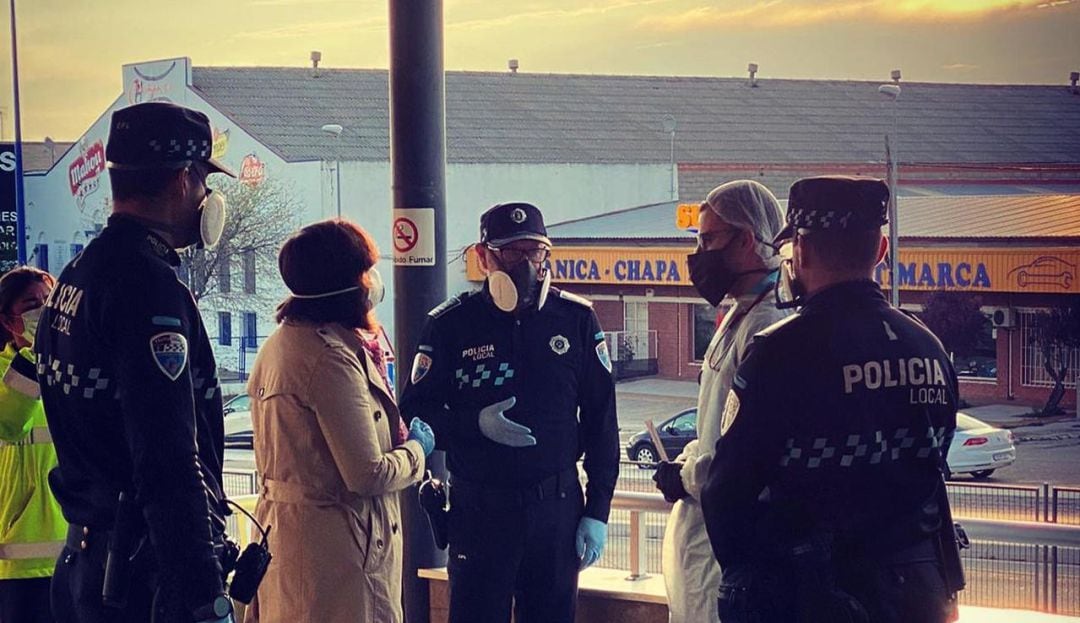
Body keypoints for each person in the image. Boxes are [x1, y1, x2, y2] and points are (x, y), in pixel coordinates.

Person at [700, 176, 960, 623]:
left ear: (798, 251)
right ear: (880, 251)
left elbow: (727, 491)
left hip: (810, 595)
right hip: (917, 594)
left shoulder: (779, 353)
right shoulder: (930, 349)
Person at [36, 102, 237, 623]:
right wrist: (204, 594)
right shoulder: (147, 288)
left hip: (88, 564)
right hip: (143, 579)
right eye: (203, 182)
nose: (205, 198)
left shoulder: (78, 275)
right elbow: (167, 456)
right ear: (183, 179)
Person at [399, 202, 619, 623]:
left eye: (535, 252)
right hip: (480, 512)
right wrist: (473, 426)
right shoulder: (450, 324)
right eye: (512, 252)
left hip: (555, 509)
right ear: (484, 257)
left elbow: (601, 423)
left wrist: (597, 510)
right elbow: (415, 412)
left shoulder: (575, 319)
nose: (526, 264)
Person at [243, 220, 433, 623]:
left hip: (288, 543)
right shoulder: (330, 360)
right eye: (366, 271)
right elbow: (366, 473)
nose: (372, 282)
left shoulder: (279, 345)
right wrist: (418, 450)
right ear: (348, 284)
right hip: (340, 559)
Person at [652, 180, 789, 623]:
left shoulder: (768, 324)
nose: (699, 253)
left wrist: (688, 477)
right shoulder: (739, 313)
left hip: (730, 537)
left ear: (748, 239)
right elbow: (712, 425)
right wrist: (688, 464)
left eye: (708, 239)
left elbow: (743, 450)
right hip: (705, 527)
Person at [0, 267, 64, 623]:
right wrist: (36, 356)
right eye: (31, 304)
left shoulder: (70, 373)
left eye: (50, 301)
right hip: (16, 567)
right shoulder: (6, 371)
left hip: (74, 554)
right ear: (9, 321)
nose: (43, 310)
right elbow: (7, 421)